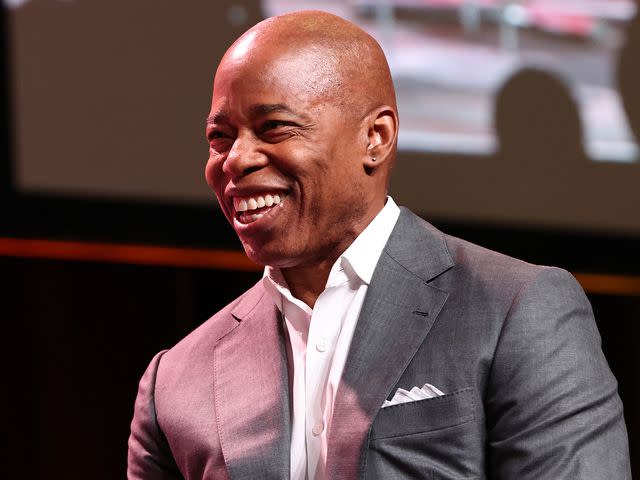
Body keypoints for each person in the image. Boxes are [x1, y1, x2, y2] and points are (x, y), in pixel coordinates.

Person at [128, 10, 631, 479]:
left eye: (273, 128)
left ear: (376, 137)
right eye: (220, 138)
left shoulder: (517, 311)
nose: (235, 160)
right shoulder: (176, 381)